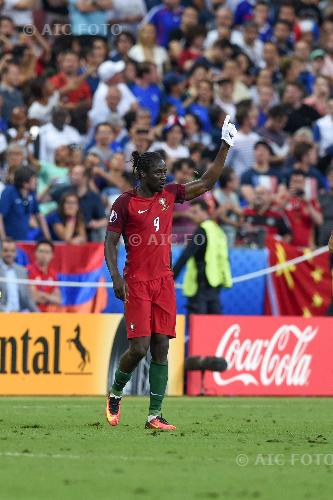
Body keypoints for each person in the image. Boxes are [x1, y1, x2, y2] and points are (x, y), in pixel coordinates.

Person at [104, 115, 237, 430]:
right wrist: (117, 278)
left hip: (163, 282)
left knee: (162, 344)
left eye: (165, 171)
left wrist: (225, 145)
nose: (164, 176)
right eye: (159, 172)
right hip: (136, 282)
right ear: (143, 173)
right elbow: (109, 243)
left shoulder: (170, 196)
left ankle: (154, 414)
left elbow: (205, 182)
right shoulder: (124, 203)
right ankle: (114, 393)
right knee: (138, 347)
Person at [173, 198, 232, 314]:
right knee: (214, 325)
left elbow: (185, 255)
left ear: (204, 212)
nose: (192, 216)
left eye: (195, 212)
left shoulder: (201, 231)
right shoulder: (217, 229)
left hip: (201, 287)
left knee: (198, 325)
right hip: (215, 283)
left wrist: (171, 278)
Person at [0, 166, 51, 242]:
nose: (36, 182)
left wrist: (48, 239)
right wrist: (3, 239)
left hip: (25, 239)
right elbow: (0, 216)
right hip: (10, 242)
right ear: (25, 183)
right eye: (34, 180)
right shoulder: (9, 192)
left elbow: (39, 216)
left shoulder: (32, 193)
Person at [0, 238, 37, 312]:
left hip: (19, 314)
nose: (9, 254)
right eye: (6, 250)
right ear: (0, 252)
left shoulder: (22, 271)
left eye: (12, 251)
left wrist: (38, 314)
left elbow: (26, 298)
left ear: (16, 253)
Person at [28, 239, 61, 312]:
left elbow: (58, 300)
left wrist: (42, 295)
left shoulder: (53, 274)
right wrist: (49, 297)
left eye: (47, 252)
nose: (44, 255)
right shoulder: (28, 270)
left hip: (48, 314)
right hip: (30, 313)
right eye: (41, 251)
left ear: (52, 255)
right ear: (35, 253)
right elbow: (33, 298)